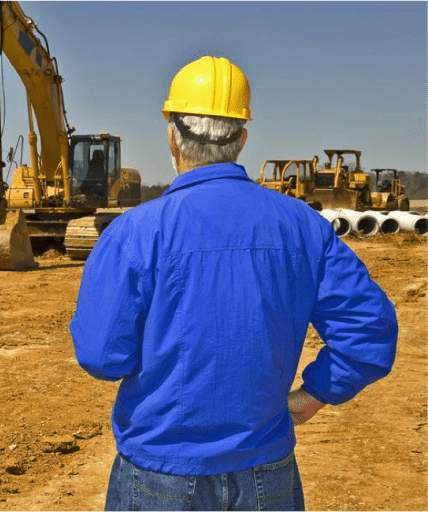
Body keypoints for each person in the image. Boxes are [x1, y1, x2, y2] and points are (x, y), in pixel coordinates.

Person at [69, 56, 398, 512]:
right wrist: (314, 394)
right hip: (267, 475)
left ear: (172, 136)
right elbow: (368, 333)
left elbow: (103, 357)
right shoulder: (304, 227)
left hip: (161, 475)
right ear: (243, 138)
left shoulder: (133, 233)